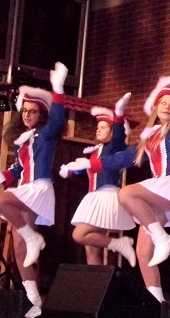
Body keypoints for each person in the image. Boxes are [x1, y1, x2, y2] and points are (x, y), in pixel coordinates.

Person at [68, 44, 170, 304]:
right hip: (159, 193)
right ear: (155, 107)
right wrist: (90, 165)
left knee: (127, 193)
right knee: (143, 251)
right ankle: (157, 304)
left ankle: (163, 238)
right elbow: (122, 158)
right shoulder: (149, 137)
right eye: (163, 103)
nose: (167, 107)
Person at [0, 63, 68, 318]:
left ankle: (33, 237)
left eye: (33, 111)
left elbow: (59, 119)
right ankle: (35, 303)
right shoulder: (22, 140)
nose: (28, 115)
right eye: (25, 111)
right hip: (25, 187)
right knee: (19, 247)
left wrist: (58, 89)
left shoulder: (46, 134)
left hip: (39, 187)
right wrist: (4, 176)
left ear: (41, 114)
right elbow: (20, 167)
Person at [58, 94, 137, 267]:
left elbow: (119, 134)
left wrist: (118, 113)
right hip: (94, 197)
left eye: (103, 127)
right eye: (98, 127)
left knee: (79, 235)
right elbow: (91, 172)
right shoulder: (96, 151)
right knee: (91, 250)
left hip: (106, 197)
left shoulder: (113, 147)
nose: (98, 130)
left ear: (111, 131)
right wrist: (72, 171)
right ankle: (95, 282)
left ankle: (119, 244)